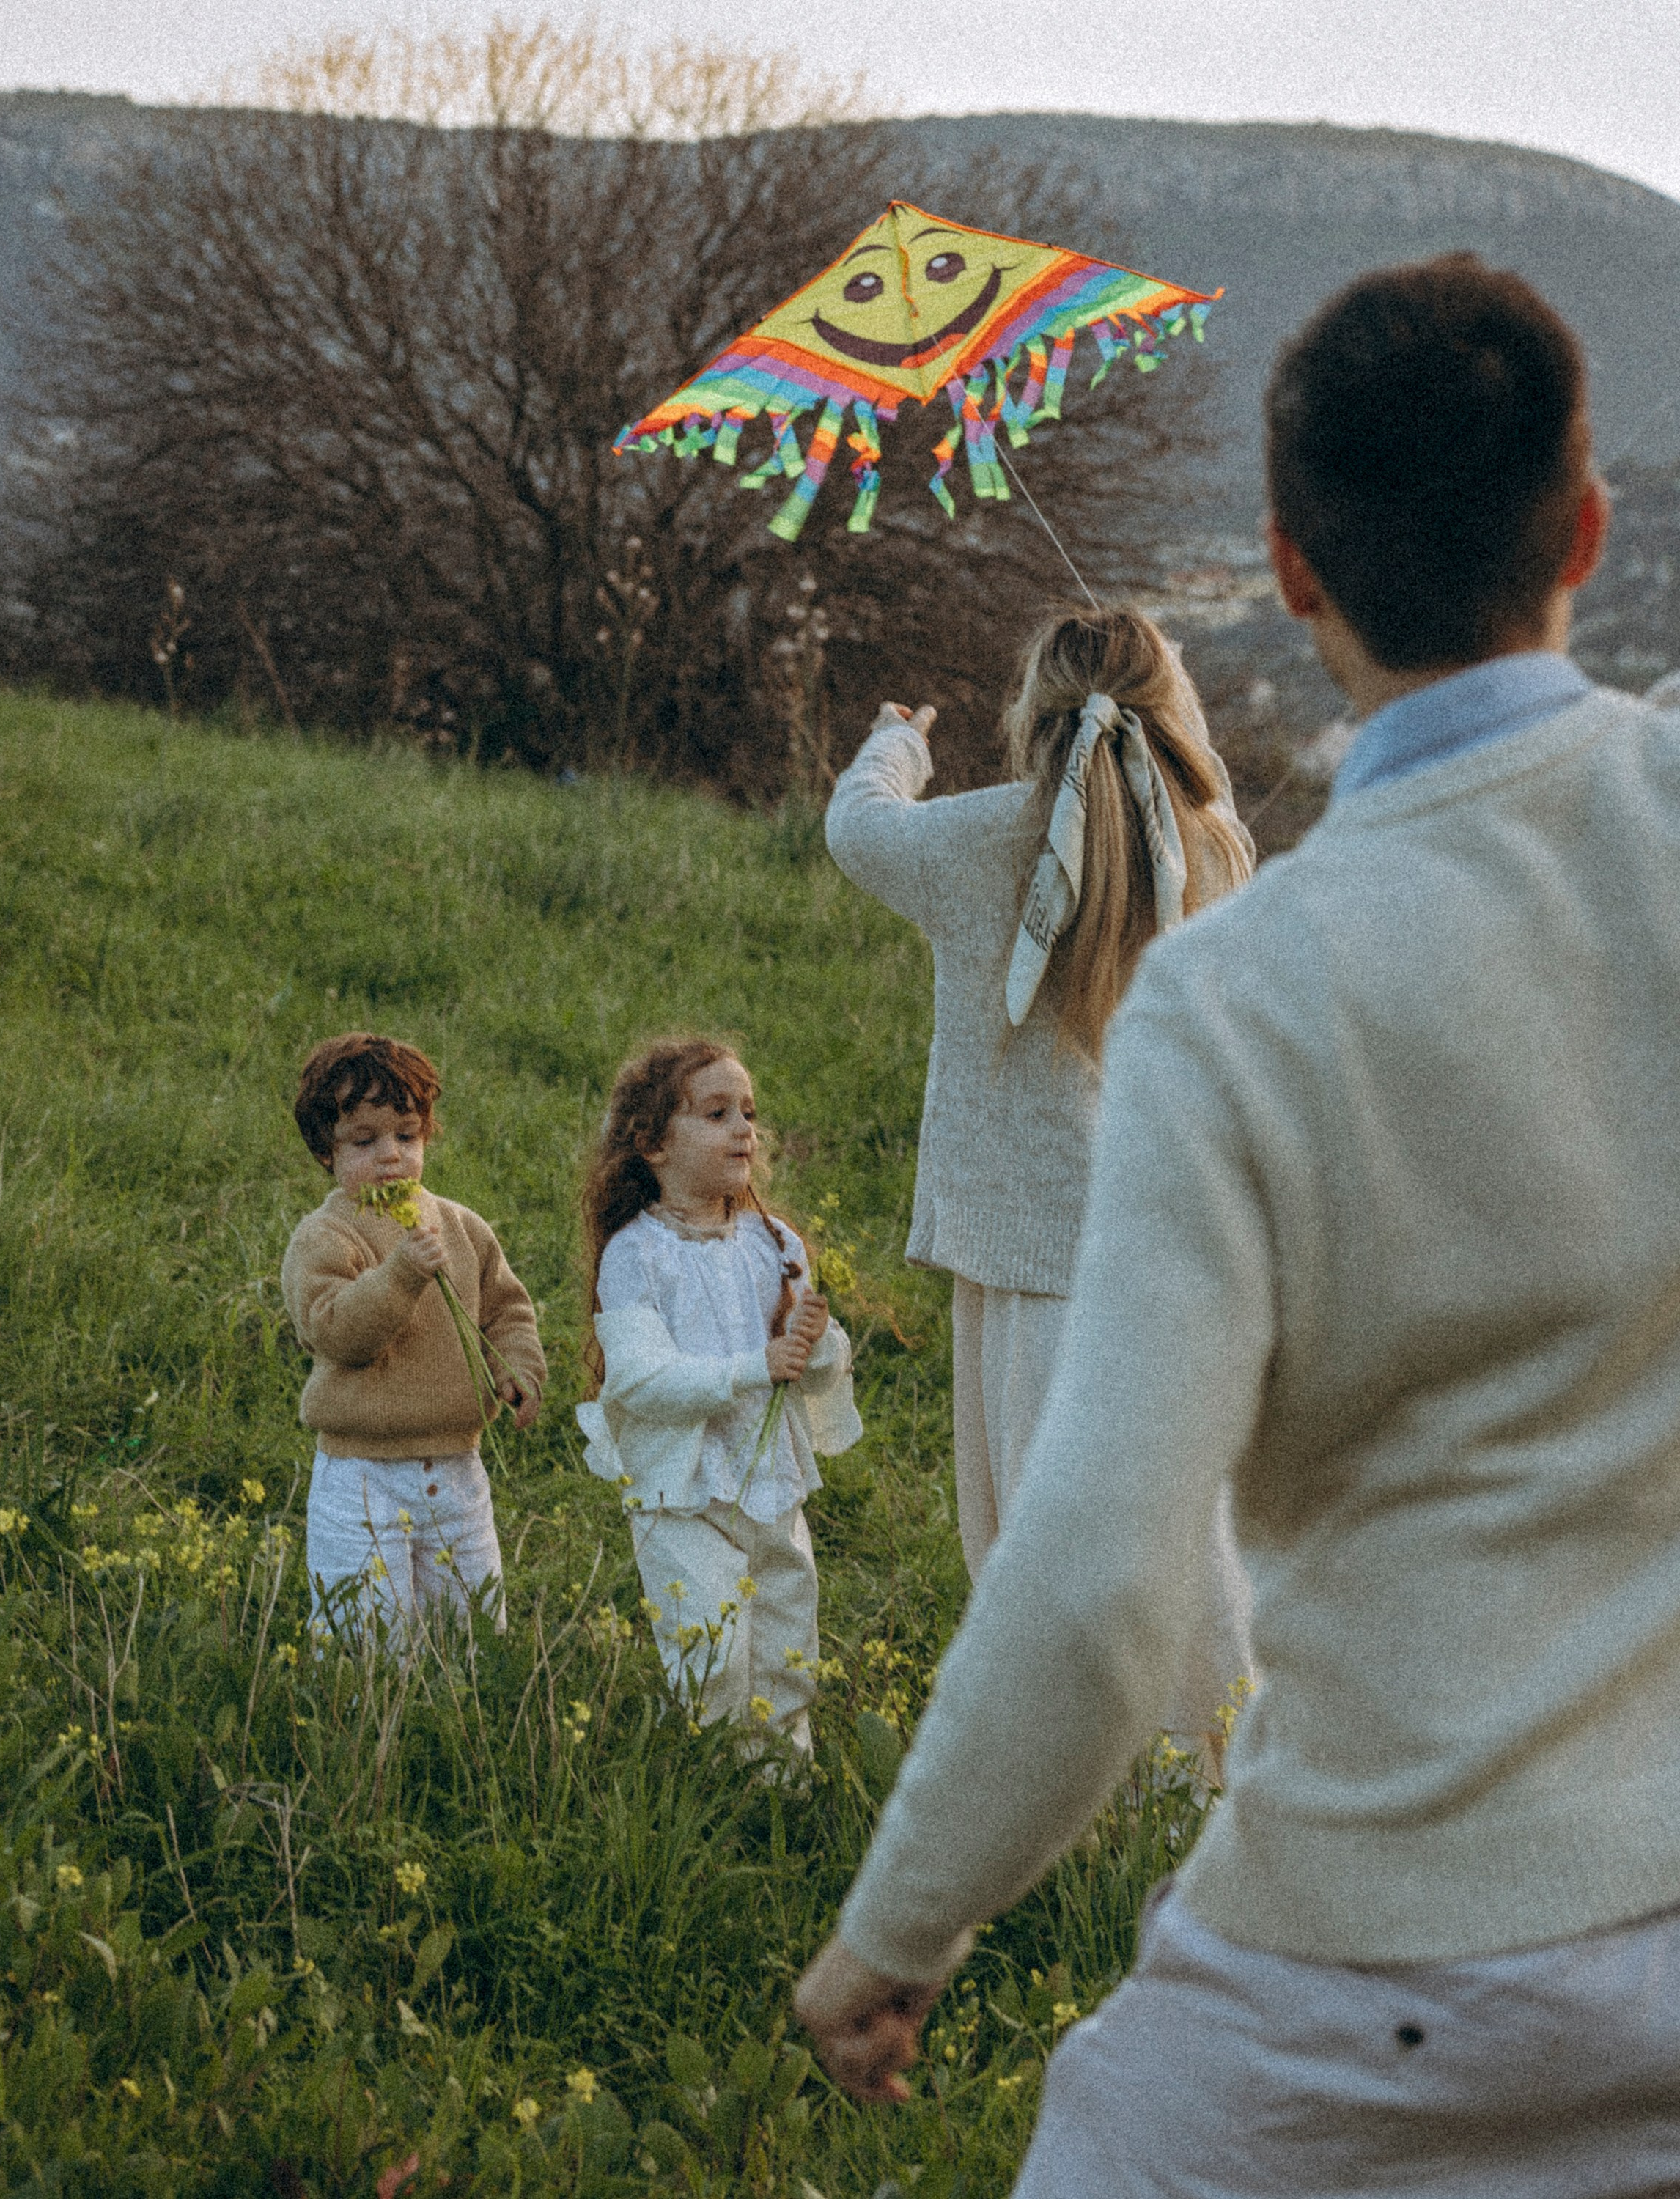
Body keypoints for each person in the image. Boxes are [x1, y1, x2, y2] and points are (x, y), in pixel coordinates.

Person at [794, 252, 1680, 2194]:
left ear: (1290, 567)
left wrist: (896, 1935)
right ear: (1591, 531)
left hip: (1362, 1958)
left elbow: (1104, 1588)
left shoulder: (1235, 993)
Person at [825, 603, 1255, 1757]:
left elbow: (857, 828)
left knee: (1042, 1542)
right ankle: (1208, 1753)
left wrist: (898, 741)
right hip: (1174, 1242)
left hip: (1029, 1251)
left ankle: (1098, 1781)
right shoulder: (1211, 845)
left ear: (1033, 713)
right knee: (1180, 1518)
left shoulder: (977, 841)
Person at [576, 1038, 860, 1753]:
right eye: (716, 1113)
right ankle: (720, 1780)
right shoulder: (636, 1254)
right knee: (712, 1650)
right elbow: (640, 1379)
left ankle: (784, 1784)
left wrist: (816, 1343)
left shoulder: (777, 1242)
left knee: (787, 1643)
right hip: (685, 1492)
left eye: (749, 1113)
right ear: (652, 1144)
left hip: (771, 1483)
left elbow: (822, 1370)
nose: (744, 1130)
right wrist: (753, 1367)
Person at [281, 1032, 545, 1642]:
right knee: (366, 1634)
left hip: (456, 1464)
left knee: (473, 1627)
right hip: (363, 1473)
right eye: (365, 1141)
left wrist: (516, 1368)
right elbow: (335, 1333)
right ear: (327, 1151)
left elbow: (506, 1308)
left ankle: (467, 1713)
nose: (391, 1156)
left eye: (406, 1136)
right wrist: (399, 1276)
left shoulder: (460, 1226)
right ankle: (371, 1720)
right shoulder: (325, 1238)